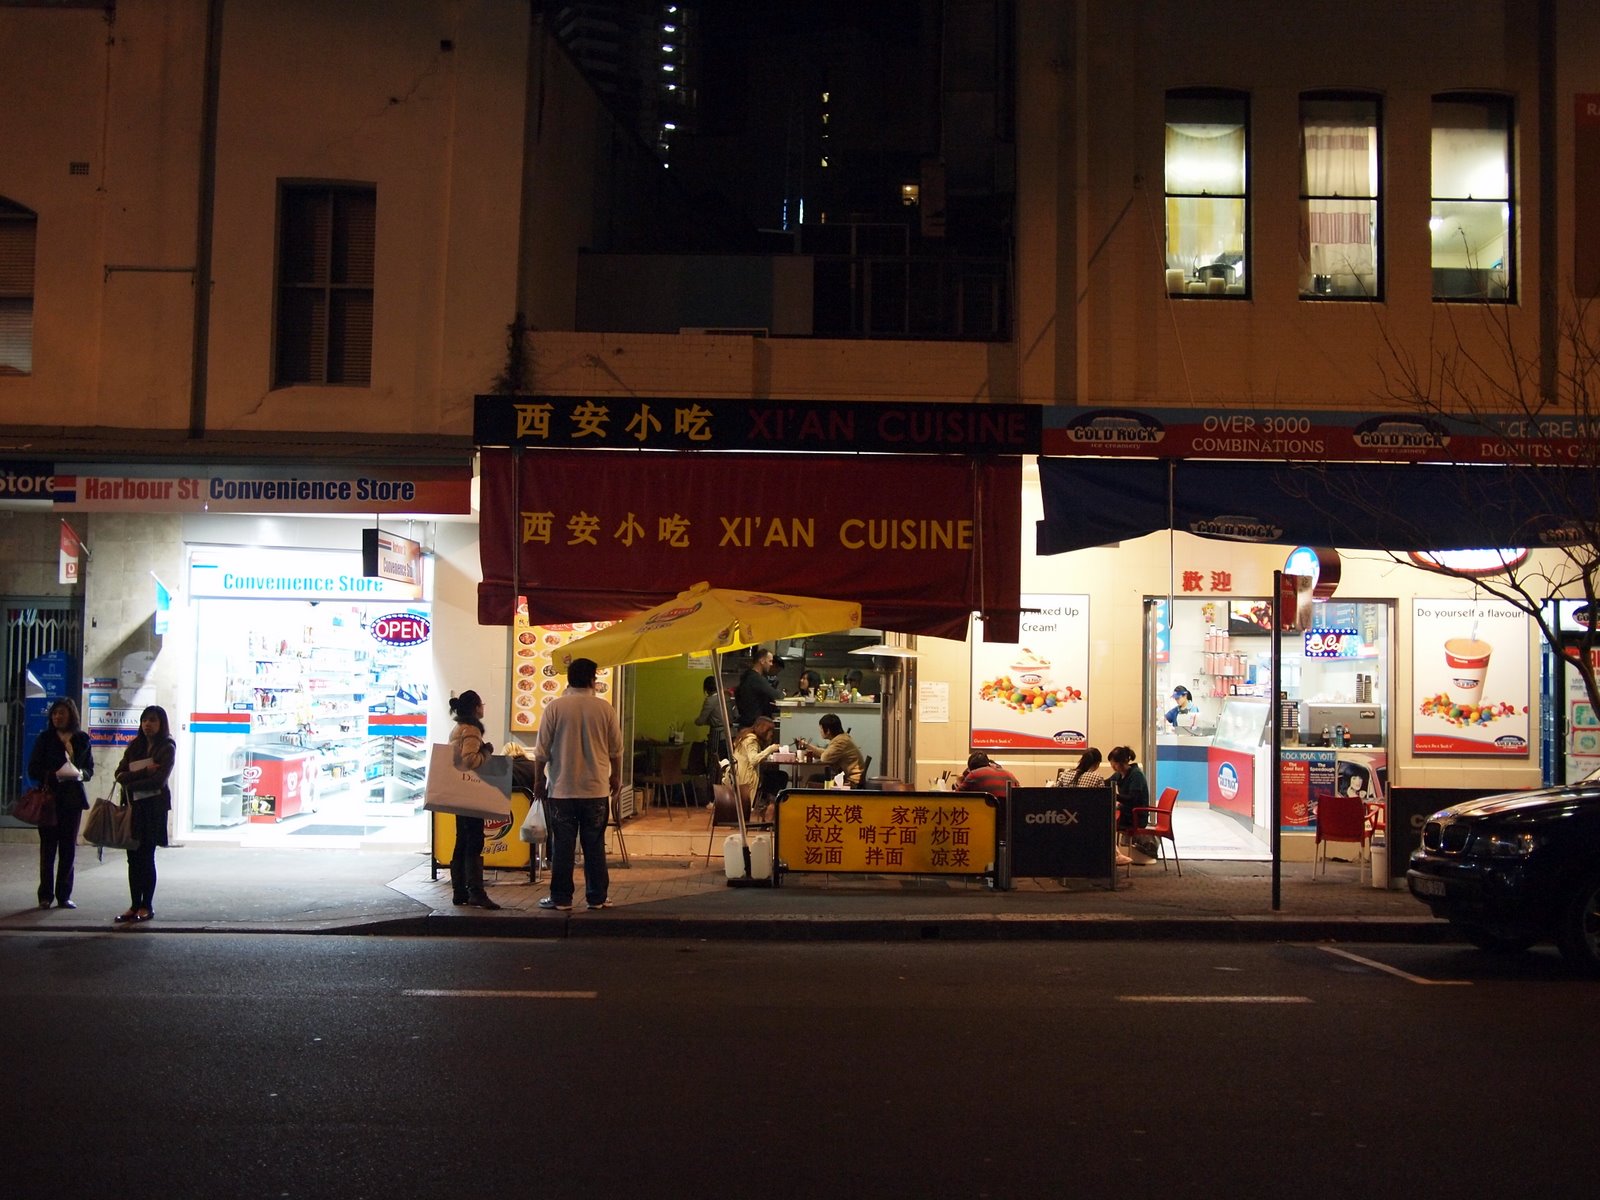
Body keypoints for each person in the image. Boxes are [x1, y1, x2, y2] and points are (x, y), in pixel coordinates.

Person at [532, 657, 623, 912]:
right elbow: (616, 749)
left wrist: (539, 780)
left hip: (561, 790)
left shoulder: (555, 708)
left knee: (562, 845)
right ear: (592, 679)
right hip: (595, 790)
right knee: (594, 844)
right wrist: (616, 775)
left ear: (569, 678)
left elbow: (541, 752)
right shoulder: (605, 709)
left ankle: (561, 898)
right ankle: (597, 897)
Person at [27, 697, 94, 910]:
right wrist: (54, 774)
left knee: (68, 849)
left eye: (61, 713)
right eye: (55, 713)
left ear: (71, 715)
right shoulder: (45, 739)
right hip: (50, 799)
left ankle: (64, 895)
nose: (57, 717)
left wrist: (79, 774)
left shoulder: (82, 738)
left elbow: (89, 770)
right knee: (48, 849)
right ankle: (45, 896)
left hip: (72, 800)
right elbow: (33, 769)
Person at [112, 705, 176, 923]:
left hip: (153, 810)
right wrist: (144, 772)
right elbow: (119, 775)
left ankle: (146, 905)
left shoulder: (167, 747)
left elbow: (159, 780)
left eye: (153, 720)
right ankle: (134, 904)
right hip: (134, 808)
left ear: (161, 724)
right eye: (144, 720)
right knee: (132, 858)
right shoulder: (135, 746)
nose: (148, 724)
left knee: (146, 856)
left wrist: (133, 779)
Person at [448, 690, 502, 909]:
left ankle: (459, 890)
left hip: (459, 792)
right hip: (472, 793)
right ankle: (476, 892)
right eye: (482, 704)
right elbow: (470, 760)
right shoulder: (471, 730)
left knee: (462, 840)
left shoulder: (458, 728)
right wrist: (487, 751)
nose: (483, 707)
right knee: (474, 841)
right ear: (476, 708)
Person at [1053, 748, 1127, 865]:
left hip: (1064, 820)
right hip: (1087, 822)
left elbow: (1054, 796)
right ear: (1097, 764)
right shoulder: (1096, 777)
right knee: (1107, 823)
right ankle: (1115, 855)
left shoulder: (1065, 775)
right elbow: (1102, 801)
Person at [1108, 745, 1156, 864]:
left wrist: (1114, 795)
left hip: (1136, 817)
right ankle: (1114, 855)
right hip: (1127, 813)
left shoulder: (1136, 775)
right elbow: (1106, 782)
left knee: (1105, 824)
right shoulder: (1119, 774)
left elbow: (1132, 799)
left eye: (1113, 763)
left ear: (1121, 762)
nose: (1112, 766)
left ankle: (1115, 856)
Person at [732, 715, 784, 820]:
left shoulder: (746, 735)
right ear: (764, 730)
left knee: (779, 776)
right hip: (746, 778)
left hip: (740, 773)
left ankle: (768, 808)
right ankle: (769, 810)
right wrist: (770, 749)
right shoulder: (751, 740)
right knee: (780, 778)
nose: (772, 734)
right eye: (770, 731)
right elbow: (754, 760)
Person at [795, 712, 864, 787]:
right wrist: (807, 746)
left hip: (852, 781)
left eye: (821, 728)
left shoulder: (840, 741)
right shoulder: (842, 738)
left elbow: (825, 758)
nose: (820, 731)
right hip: (850, 777)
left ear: (828, 731)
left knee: (813, 779)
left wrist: (814, 751)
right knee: (814, 777)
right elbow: (826, 753)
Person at [735, 648, 782, 728]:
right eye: (770, 661)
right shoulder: (756, 679)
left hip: (746, 723)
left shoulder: (747, 676)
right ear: (762, 661)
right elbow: (777, 695)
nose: (771, 664)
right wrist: (782, 693)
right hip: (754, 725)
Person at [692, 674, 731, 770]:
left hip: (717, 734)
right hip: (729, 734)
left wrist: (696, 721)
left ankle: (714, 782)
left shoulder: (710, 700)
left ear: (707, 688)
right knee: (726, 762)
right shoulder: (726, 697)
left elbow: (700, 721)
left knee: (714, 762)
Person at [955, 751, 1019, 799]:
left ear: (971, 768)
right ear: (988, 763)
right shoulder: (1009, 774)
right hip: (1010, 815)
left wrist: (959, 782)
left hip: (988, 815)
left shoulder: (974, 775)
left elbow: (955, 797)